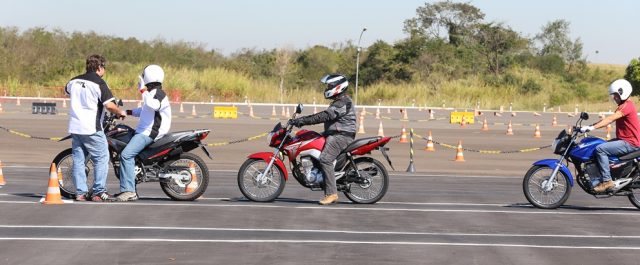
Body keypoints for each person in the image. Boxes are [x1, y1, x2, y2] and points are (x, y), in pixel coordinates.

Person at [65, 54, 127, 202]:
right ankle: (98, 192)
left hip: (75, 127)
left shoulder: (73, 81)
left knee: (79, 161)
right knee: (102, 158)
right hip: (91, 128)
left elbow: (67, 91)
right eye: (104, 67)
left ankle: (80, 192)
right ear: (99, 67)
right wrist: (120, 112)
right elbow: (110, 105)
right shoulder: (99, 83)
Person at [288, 74, 356, 205]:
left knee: (325, 159)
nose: (328, 88)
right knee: (309, 137)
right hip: (334, 133)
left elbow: (324, 116)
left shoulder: (343, 102)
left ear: (338, 87)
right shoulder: (339, 100)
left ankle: (331, 193)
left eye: (330, 86)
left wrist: (303, 120)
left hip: (341, 135)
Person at [116, 65, 172, 202]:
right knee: (127, 149)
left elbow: (152, 105)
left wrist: (142, 90)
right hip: (144, 131)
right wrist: (127, 112)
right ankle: (131, 185)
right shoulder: (152, 94)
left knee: (126, 155)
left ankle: (129, 191)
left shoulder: (158, 94)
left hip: (149, 133)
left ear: (147, 78)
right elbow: (145, 110)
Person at [580, 79, 640, 193]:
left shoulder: (627, 106)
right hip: (625, 140)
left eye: (616, 95)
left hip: (630, 143)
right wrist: (590, 125)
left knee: (600, 149)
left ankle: (607, 181)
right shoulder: (625, 105)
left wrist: (592, 128)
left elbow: (610, 119)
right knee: (599, 144)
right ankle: (607, 175)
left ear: (623, 93)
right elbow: (608, 119)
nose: (614, 98)